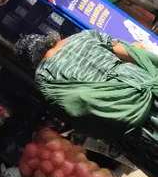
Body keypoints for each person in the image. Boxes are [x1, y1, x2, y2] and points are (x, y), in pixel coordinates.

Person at [15, 31, 158, 138]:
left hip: (119, 109)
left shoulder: (43, 76)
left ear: (30, 62)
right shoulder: (82, 36)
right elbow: (128, 52)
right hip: (141, 80)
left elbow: (73, 109)